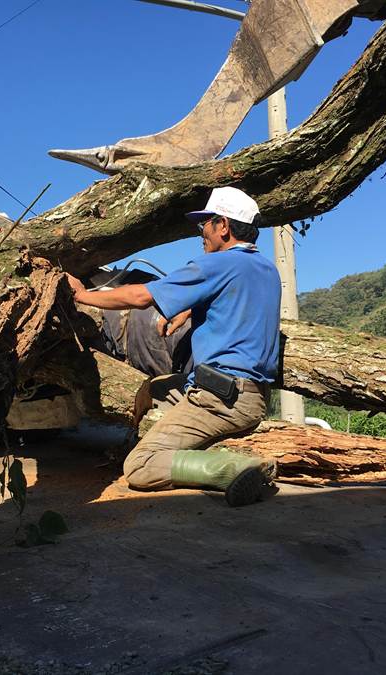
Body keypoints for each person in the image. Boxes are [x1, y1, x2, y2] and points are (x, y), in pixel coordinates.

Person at [67, 187, 282, 506]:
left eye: (204, 225)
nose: (202, 234)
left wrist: (82, 296)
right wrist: (184, 310)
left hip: (220, 400)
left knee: (138, 466)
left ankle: (236, 468)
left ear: (222, 226)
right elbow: (231, 301)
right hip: (252, 395)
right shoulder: (266, 270)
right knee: (156, 387)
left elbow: (140, 297)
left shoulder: (218, 265)